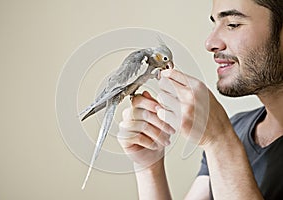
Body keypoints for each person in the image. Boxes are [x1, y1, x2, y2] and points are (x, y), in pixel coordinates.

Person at [117, 0, 283, 199]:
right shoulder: (237, 128)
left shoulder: (225, 136)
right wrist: (148, 167)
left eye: (233, 24)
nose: (210, 43)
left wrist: (220, 141)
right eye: (214, 25)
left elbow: (221, 139)